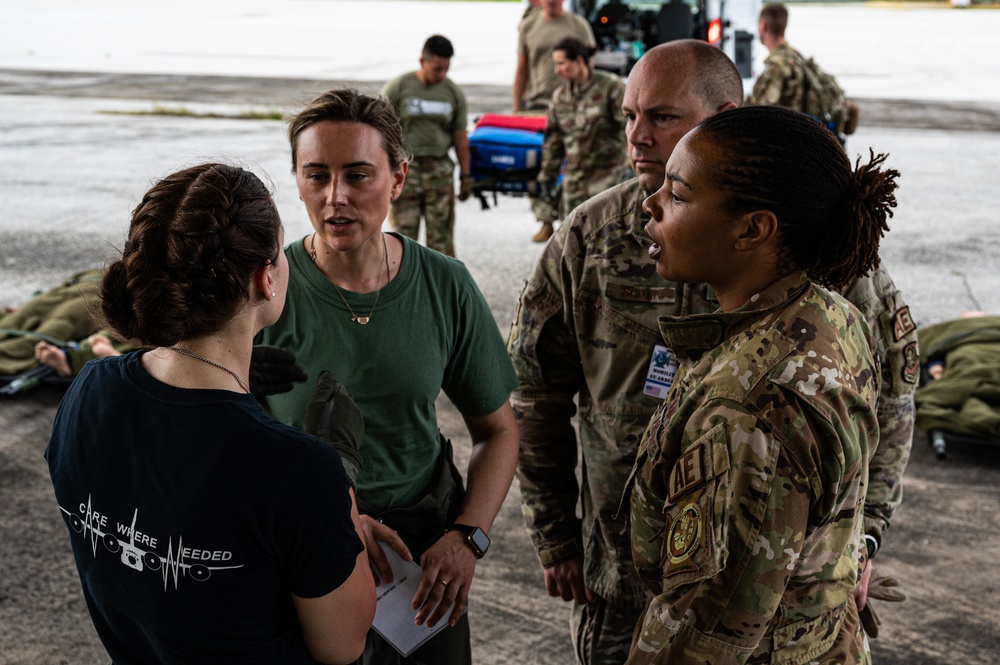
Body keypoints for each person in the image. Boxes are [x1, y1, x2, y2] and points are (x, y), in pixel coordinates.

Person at [508, 39, 915, 665]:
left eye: (662, 117)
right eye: (628, 115)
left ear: (724, 114)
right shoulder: (589, 236)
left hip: (770, 609)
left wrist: (862, 537)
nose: (637, 137)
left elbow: (889, 397)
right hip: (625, 577)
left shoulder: (800, 287)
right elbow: (535, 392)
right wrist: (557, 534)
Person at [46, 162, 376, 664]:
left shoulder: (88, 392)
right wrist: (341, 504)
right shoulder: (297, 470)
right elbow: (344, 645)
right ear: (266, 279)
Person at [626, 104, 898, 663]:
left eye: (677, 196)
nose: (649, 205)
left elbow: (706, 634)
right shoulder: (829, 313)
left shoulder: (749, 408)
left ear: (753, 229)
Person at [257, 89, 519, 665]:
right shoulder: (264, 291)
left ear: (398, 178)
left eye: (358, 175)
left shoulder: (444, 285)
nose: (335, 198)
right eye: (316, 176)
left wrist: (468, 538)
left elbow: (499, 431)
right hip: (303, 548)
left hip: (423, 562)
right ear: (296, 179)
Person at [512, 0, 596, 242]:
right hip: (537, 104)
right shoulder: (529, 25)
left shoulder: (578, 25)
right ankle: (545, 219)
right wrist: (517, 108)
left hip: (572, 104)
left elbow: (588, 66)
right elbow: (521, 68)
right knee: (541, 162)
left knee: (573, 162)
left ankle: (570, 218)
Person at [382, 34, 471, 258]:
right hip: (405, 170)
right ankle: (403, 287)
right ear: (422, 61)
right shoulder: (399, 87)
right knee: (403, 235)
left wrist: (467, 175)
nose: (441, 74)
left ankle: (441, 288)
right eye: (437, 68)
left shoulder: (453, 93)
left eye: (446, 69)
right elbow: (380, 132)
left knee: (441, 238)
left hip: (439, 169)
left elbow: (460, 136)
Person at [538, 37, 629, 221]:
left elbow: (631, 128)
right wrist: (547, 175)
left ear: (579, 61)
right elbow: (553, 141)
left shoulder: (611, 87)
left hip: (610, 177)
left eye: (561, 63)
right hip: (575, 180)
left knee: (608, 236)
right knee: (573, 237)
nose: (557, 70)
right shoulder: (560, 97)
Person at [748, 2, 849, 137]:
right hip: (802, 134)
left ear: (763, 26)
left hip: (788, 139)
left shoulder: (778, 64)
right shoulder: (796, 56)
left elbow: (760, 111)